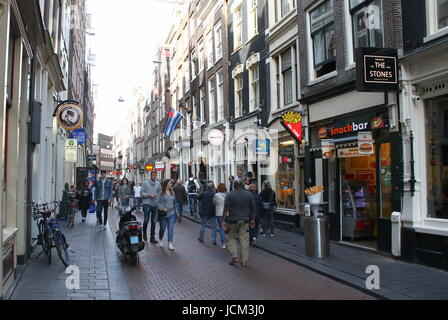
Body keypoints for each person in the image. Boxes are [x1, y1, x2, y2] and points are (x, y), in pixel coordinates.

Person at [222, 180, 256, 268]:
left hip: (232, 220)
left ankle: (234, 255)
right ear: (243, 185)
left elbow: (226, 209)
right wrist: (252, 220)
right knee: (245, 240)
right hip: (245, 220)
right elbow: (253, 209)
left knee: (230, 237)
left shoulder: (229, 195)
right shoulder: (249, 194)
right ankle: (244, 261)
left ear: (234, 186)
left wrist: (223, 220)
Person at [141, 171, 162, 243]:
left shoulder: (158, 184)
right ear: (150, 175)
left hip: (155, 204)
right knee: (146, 220)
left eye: (155, 175)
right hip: (147, 204)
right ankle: (144, 234)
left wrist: (157, 195)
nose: (154, 176)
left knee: (154, 221)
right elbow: (141, 193)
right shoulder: (145, 183)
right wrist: (149, 195)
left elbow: (160, 193)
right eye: (153, 175)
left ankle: (152, 237)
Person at [157, 179, 177, 251]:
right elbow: (157, 202)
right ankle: (160, 239)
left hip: (171, 212)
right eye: (170, 183)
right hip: (163, 214)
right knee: (163, 228)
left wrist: (176, 211)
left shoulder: (172, 192)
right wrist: (162, 208)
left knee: (171, 228)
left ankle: (170, 243)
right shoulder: (161, 192)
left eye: (171, 183)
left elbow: (175, 202)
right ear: (166, 184)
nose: (171, 184)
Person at [213, 183, 228, 248]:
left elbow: (213, 202)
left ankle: (223, 243)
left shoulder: (216, 195)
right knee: (227, 228)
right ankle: (229, 242)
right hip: (227, 213)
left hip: (219, 213)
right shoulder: (228, 195)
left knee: (222, 228)